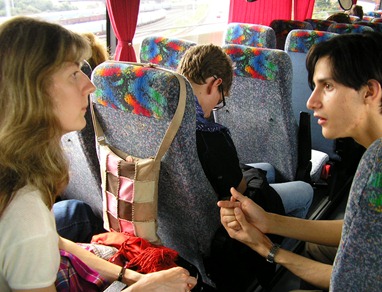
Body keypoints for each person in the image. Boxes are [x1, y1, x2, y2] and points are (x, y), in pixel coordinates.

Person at [0, 16, 196, 292]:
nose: (89, 86)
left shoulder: (18, 173)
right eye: (72, 74)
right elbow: (36, 233)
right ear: (33, 92)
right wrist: (146, 288)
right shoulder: (24, 212)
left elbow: (56, 241)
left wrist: (132, 278)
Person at [218, 31, 382, 291]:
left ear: (369, 92)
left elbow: (350, 284)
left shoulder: (376, 164)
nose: (311, 101)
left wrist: (268, 249)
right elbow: (362, 227)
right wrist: (269, 221)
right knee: (317, 246)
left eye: (327, 86)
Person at [177, 44, 313, 221]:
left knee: (268, 168)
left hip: (186, 214)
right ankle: (278, 243)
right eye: (221, 97)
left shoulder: (165, 118)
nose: (216, 105)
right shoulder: (211, 136)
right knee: (305, 190)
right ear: (215, 84)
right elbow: (239, 191)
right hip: (222, 217)